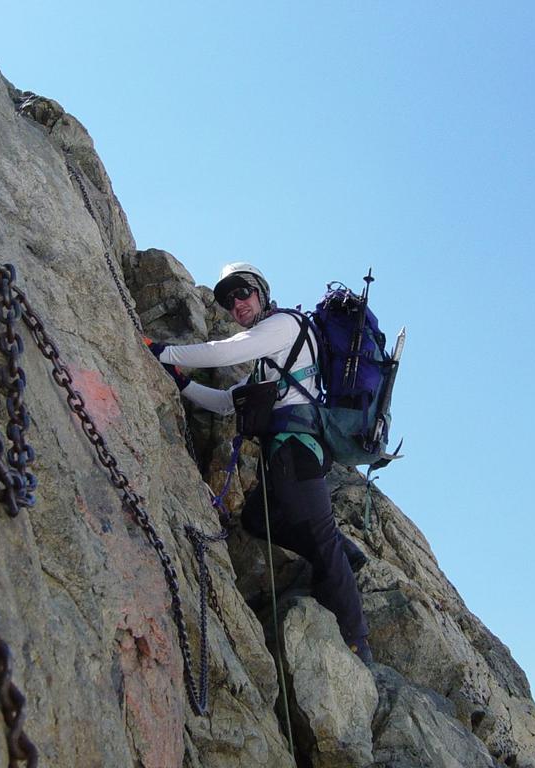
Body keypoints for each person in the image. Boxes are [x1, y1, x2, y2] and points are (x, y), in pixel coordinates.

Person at [148, 262, 372, 663]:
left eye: (243, 292)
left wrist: (163, 351)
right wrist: (182, 383)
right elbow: (224, 402)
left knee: (321, 541)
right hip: (285, 456)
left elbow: (227, 350)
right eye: (228, 299)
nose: (236, 304)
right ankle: (345, 553)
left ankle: (357, 641)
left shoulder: (285, 327)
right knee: (255, 519)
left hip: (298, 450)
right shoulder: (268, 362)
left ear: (262, 292)